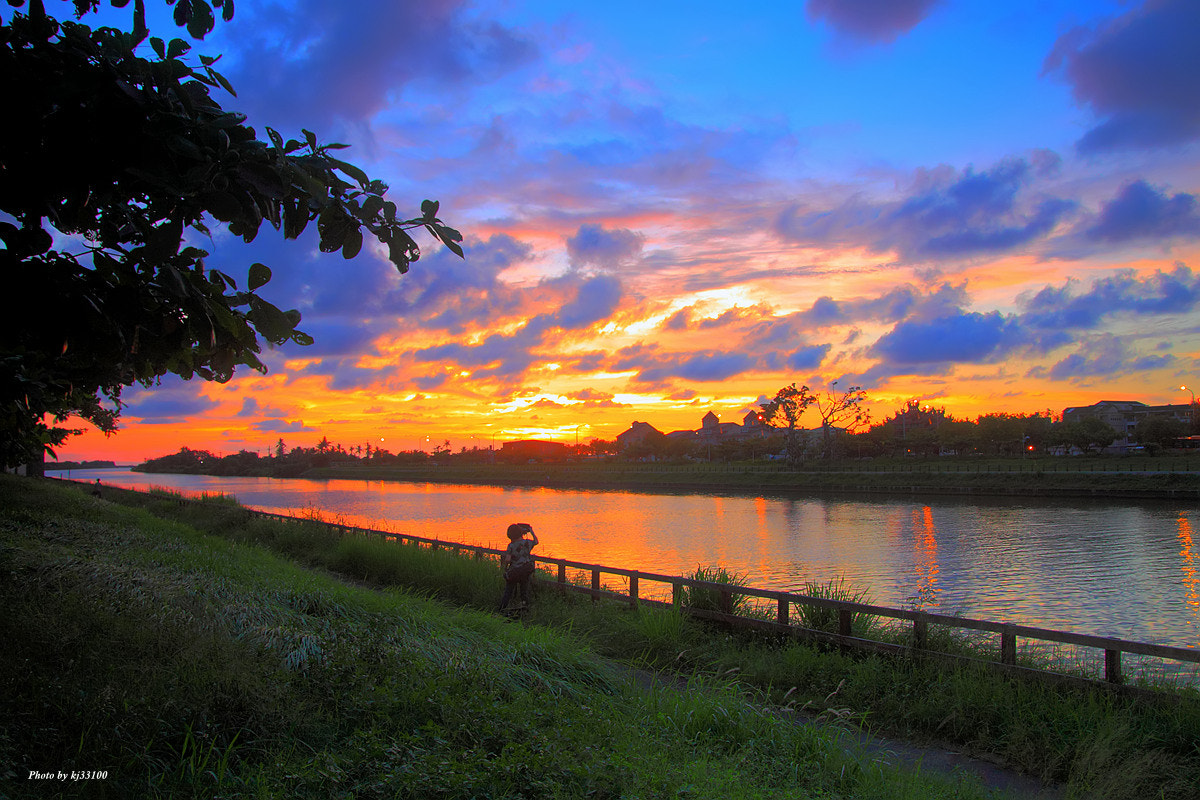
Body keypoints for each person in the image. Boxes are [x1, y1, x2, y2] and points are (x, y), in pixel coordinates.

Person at [499, 522, 538, 613]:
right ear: (521, 532)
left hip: (514, 572)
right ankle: (525, 610)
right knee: (524, 592)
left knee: (508, 592)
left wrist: (505, 568)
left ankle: (502, 609)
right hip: (525, 570)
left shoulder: (511, 545)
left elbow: (508, 560)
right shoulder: (527, 543)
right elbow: (536, 541)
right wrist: (531, 531)